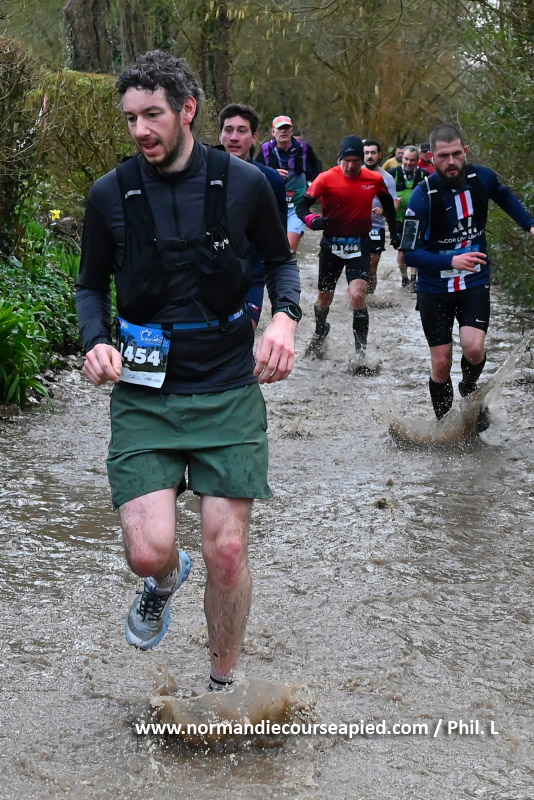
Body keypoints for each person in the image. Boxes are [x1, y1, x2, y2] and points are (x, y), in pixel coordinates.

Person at [75, 50, 301, 693]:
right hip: (145, 391)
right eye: (131, 118)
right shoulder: (109, 195)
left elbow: (280, 264)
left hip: (227, 385)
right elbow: (89, 286)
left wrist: (284, 319)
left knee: (226, 549)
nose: (141, 130)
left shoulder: (247, 184)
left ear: (187, 110)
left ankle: (221, 689)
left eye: (152, 115)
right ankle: (164, 581)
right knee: (146, 551)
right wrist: (95, 341)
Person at [401, 123, 534, 426]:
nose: (451, 162)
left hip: (474, 279)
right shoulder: (423, 196)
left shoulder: (481, 178)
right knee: (441, 362)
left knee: (474, 349)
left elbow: (506, 198)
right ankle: (446, 427)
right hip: (434, 286)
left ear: (465, 151)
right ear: (431, 158)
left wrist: (529, 225)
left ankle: (469, 391)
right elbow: (409, 254)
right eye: (443, 156)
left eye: (456, 154)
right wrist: (451, 259)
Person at [297, 135, 398, 365]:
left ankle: (361, 355)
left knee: (358, 295)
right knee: (324, 299)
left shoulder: (374, 179)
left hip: (359, 244)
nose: (351, 166)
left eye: (356, 161)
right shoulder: (325, 178)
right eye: (346, 161)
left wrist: (395, 231)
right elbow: (301, 207)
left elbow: (389, 206)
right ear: (339, 159)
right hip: (331, 245)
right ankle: (320, 332)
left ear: (362, 161)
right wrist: (312, 220)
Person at [218, 102, 287, 327]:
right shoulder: (199, 176)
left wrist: (283, 310)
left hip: (251, 277)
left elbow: (279, 247)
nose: (234, 137)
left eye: (242, 131)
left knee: (243, 337)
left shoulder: (271, 181)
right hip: (208, 276)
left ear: (254, 137)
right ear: (220, 135)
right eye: (228, 130)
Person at [256, 115, 322, 252]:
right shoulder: (265, 150)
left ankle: (289, 264)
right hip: (273, 206)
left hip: (297, 206)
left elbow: (317, 171)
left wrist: (315, 191)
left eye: (286, 128)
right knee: (271, 249)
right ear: (273, 132)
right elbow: (255, 173)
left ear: (291, 131)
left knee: (288, 249)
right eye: (280, 128)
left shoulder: (304, 148)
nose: (283, 131)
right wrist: (273, 173)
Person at [363, 138, 399, 293]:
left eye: (373, 153)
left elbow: (395, 203)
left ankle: (370, 298)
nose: (369, 156)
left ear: (380, 155)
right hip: (355, 227)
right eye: (366, 153)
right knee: (357, 267)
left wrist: (384, 211)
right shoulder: (355, 173)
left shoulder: (387, 178)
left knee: (371, 268)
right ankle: (357, 297)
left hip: (376, 227)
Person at [389, 145, 428, 288]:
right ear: (402, 158)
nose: (408, 163)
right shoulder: (393, 173)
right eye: (406, 159)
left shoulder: (424, 175)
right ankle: (404, 278)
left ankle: (414, 279)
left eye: (412, 160)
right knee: (401, 252)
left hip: (417, 219)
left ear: (417, 161)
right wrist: (392, 203)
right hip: (399, 219)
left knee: (415, 249)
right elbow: (384, 195)